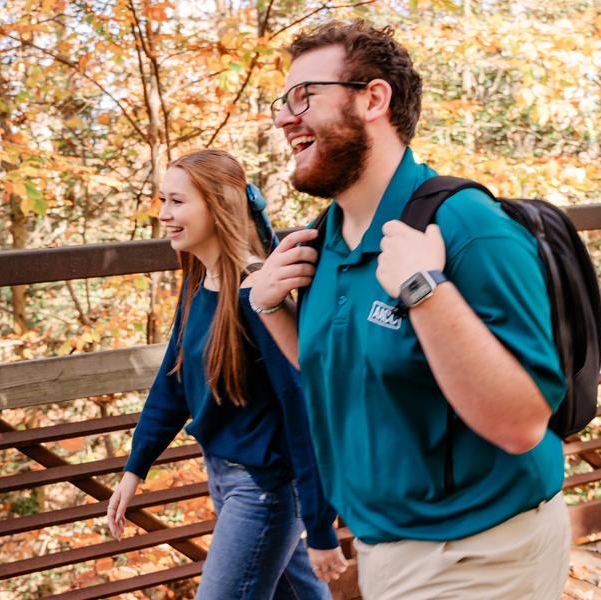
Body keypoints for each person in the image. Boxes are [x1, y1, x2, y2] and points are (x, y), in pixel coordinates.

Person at [248, 21, 572, 599]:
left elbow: (522, 424)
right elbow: (348, 367)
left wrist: (424, 288)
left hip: (481, 549)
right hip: (385, 546)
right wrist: (272, 308)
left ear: (374, 99)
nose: (283, 117)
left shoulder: (467, 227)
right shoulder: (326, 240)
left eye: (304, 96)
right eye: (283, 100)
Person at [106, 149, 348, 599]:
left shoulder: (259, 294)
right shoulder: (200, 281)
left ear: (219, 204)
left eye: (177, 202)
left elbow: (304, 407)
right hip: (226, 477)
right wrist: (134, 468)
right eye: (163, 200)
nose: (163, 214)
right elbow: (173, 382)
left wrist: (319, 524)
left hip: (266, 491)